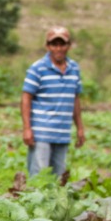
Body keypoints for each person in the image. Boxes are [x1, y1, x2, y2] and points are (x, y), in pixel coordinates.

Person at [20, 25, 85, 179]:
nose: (58, 48)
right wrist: (27, 128)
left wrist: (80, 128)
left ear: (69, 46)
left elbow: (75, 99)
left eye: (62, 44)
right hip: (41, 132)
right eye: (54, 44)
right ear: (47, 46)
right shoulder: (38, 68)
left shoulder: (74, 68)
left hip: (62, 132)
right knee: (40, 177)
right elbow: (26, 98)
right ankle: (36, 204)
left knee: (59, 178)